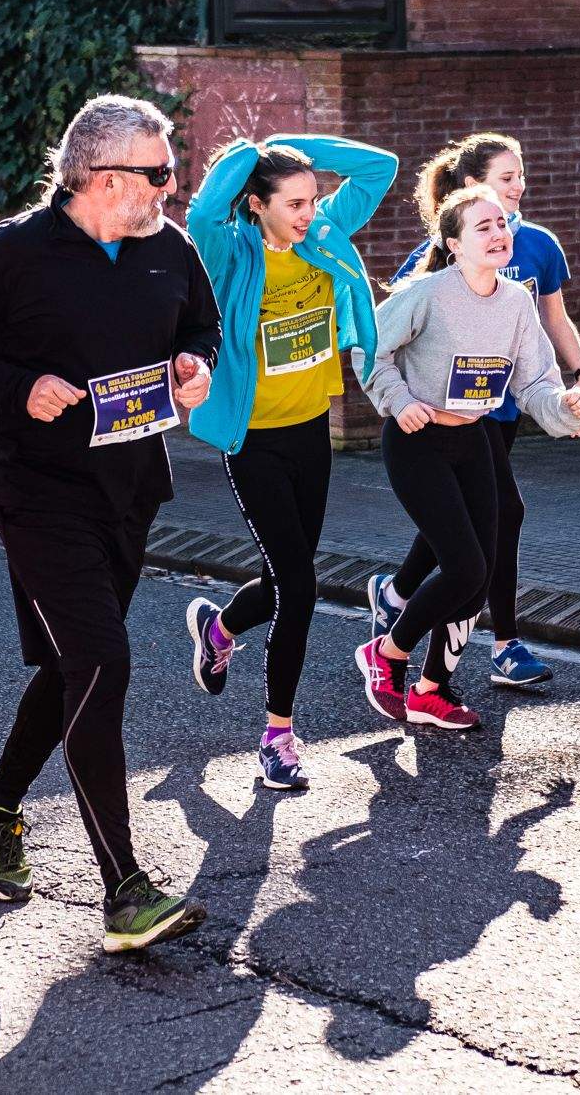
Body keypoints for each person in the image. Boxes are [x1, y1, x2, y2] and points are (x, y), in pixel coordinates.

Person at [0, 93, 220, 951]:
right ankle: (124, 889)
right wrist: (18, 387)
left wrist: (194, 366)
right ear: (100, 176)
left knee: (72, 671)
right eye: (158, 172)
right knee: (102, 659)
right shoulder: (14, 254)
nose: (172, 186)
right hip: (40, 491)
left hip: (131, 488)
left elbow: (202, 326)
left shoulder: (168, 247)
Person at [181, 133, 397, 789]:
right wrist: (251, 152)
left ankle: (219, 628)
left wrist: (294, 147)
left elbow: (380, 167)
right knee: (300, 587)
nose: (309, 212)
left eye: (312, 199)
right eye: (294, 202)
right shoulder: (231, 251)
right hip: (255, 441)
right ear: (257, 204)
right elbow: (198, 213)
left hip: (310, 433)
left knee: (285, 578)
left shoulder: (325, 233)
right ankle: (278, 736)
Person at [357, 185, 580, 732]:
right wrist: (401, 401)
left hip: (473, 439)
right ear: (453, 243)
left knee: (479, 577)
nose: (498, 234)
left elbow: (534, 380)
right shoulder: (428, 293)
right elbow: (369, 348)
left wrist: (565, 407)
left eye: (502, 224)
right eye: (482, 227)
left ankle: (430, 690)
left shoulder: (515, 302)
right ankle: (387, 654)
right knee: (462, 565)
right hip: (417, 442)